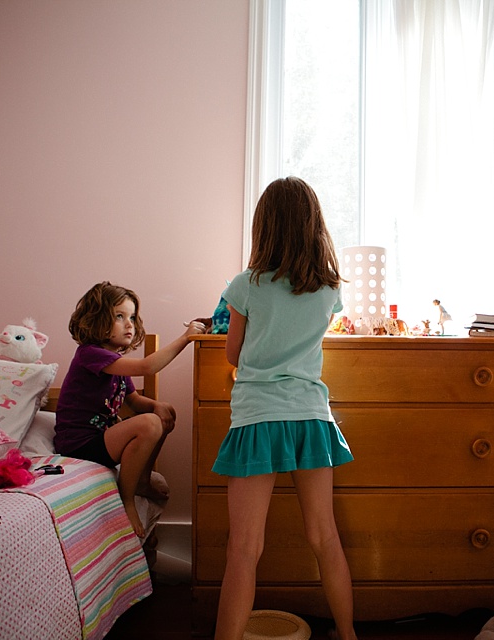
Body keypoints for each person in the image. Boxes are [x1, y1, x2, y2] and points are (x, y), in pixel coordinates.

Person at [212, 177, 358, 640]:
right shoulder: (328, 290)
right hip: (311, 418)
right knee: (325, 537)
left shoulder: (246, 286)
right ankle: (349, 634)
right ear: (314, 227)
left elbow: (234, 354)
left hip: (258, 418)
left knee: (244, 548)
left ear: (265, 228)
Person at [54, 281, 209, 538]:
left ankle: (142, 480)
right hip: (78, 445)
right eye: (119, 316)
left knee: (161, 414)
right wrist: (185, 338)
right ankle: (126, 499)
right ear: (96, 320)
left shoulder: (116, 361)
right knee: (149, 423)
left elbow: (135, 401)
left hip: (101, 441)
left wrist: (159, 406)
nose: (130, 324)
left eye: (133, 317)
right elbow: (148, 367)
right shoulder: (90, 354)